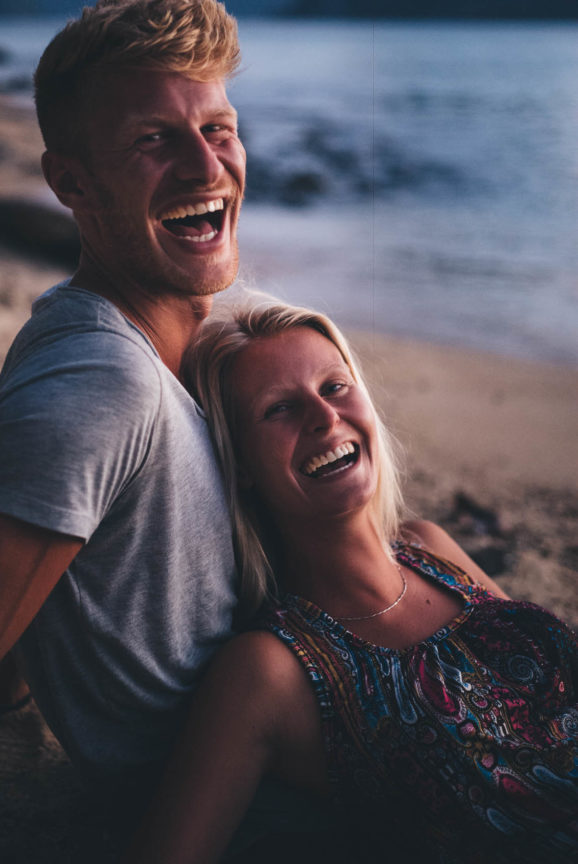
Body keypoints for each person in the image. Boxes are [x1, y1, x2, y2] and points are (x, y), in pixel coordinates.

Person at [0, 0, 246, 815]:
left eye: (218, 129)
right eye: (155, 141)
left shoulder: (177, 353)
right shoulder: (103, 382)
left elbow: (57, 556)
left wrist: (4, 690)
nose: (207, 167)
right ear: (71, 184)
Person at [126, 297, 578, 863]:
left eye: (335, 386)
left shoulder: (430, 547)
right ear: (238, 465)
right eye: (279, 409)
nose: (323, 417)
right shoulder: (267, 671)